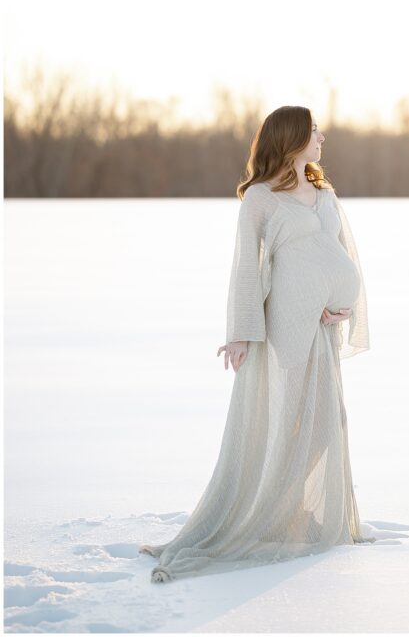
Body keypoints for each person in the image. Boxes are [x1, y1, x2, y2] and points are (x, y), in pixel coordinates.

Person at [139, 105, 375, 582]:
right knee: (287, 421)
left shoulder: (323, 191)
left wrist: (342, 305)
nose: (322, 137)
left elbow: (339, 253)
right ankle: (266, 512)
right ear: (290, 139)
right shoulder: (261, 199)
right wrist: (241, 333)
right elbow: (247, 267)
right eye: (313, 132)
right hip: (287, 326)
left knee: (327, 423)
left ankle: (288, 509)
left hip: (323, 328)